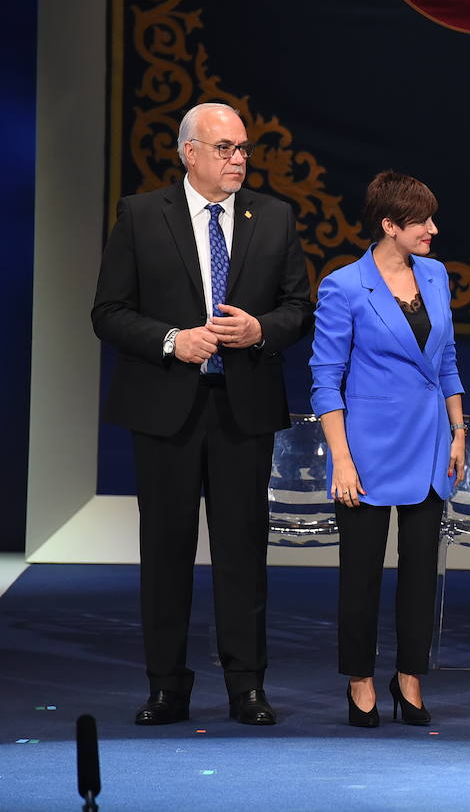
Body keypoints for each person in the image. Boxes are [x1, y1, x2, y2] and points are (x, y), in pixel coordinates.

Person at [91, 102, 312, 726]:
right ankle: (167, 686)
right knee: (165, 552)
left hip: (243, 409)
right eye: (225, 148)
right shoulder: (140, 215)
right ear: (190, 152)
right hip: (167, 407)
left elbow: (299, 308)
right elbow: (108, 311)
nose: (238, 159)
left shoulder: (274, 217)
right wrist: (172, 341)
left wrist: (259, 330)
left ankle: (247, 686)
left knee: (243, 551)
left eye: (243, 148)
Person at [310, 171, 466, 727]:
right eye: (422, 221)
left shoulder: (437, 275)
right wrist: (342, 460)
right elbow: (326, 380)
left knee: (422, 573)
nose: (433, 229)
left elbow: (445, 359)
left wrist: (459, 428)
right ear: (389, 226)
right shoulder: (344, 285)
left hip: (429, 445)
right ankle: (359, 681)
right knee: (362, 574)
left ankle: (409, 678)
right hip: (367, 453)